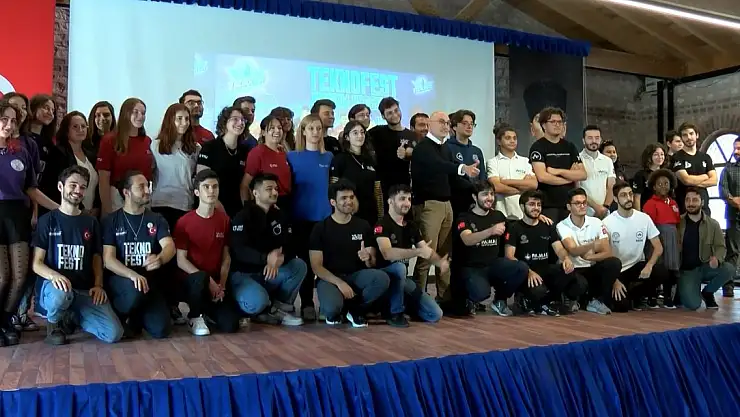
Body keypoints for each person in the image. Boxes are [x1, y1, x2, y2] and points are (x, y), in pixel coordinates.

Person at [32, 166, 123, 345]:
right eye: (73, 185)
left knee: (113, 333)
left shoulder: (91, 222)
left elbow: (97, 258)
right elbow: (37, 263)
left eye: (82, 187)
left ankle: (72, 317)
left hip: (83, 290)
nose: (77, 191)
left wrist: (98, 285)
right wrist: (54, 276)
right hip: (55, 289)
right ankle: (53, 325)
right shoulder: (47, 221)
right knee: (62, 294)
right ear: (60, 187)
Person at [411, 110, 479, 300]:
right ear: (429, 124)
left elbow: (452, 177)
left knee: (445, 255)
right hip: (429, 205)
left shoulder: (445, 148)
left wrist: (477, 190)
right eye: (441, 121)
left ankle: (444, 298)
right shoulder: (423, 147)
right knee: (427, 254)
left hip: (446, 204)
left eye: (447, 123)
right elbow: (439, 165)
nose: (445, 126)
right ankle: (417, 299)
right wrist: (462, 168)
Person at [102, 171, 174, 339]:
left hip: (148, 283)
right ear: (126, 192)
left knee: (161, 330)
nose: (147, 190)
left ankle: (136, 318)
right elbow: (108, 259)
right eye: (141, 187)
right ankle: (121, 315)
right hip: (122, 281)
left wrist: (160, 258)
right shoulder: (111, 220)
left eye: (148, 186)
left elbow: (170, 246)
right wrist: (132, 275)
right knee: (134, 289)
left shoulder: (156, 219)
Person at [309, 179, 391, 327]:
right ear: (333, 202)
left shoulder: (363, 225)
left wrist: (368, 258)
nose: (349, 201)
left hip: (356, 276)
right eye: (344, 198)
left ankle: (354, 309)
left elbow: (372, 263)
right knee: (332, 309)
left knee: (381, 278)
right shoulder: (320, 228)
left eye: (351, 197)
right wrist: (340, 283)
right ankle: (339, 306)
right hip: (330, 279)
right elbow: (316, 267)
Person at [229, 173, 305, 326]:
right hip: (244, 274)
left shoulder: (280, 215)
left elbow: (291, 244)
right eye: (269, 189)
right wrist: (266, 258)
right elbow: (239, 250)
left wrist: (282, 257)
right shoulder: (242, 216)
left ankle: (279, 308)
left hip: (270, 272)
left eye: (276, 189)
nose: (275, 192)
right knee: (257, 301)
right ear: (255, 193)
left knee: (298, 265)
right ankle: (261, 309)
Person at [173, 169, 240, 335]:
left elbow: (226, 258)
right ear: (197, 192)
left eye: (215, 187)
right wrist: (209, 281)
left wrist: (221, 285)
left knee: (230, 325)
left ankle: (209, 312)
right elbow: (181, 260)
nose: (211, 191)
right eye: (206, 187)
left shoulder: (224, 220)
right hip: (192, 281)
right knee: (200, 277)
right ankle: (194, 317)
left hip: (215, 282)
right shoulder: (184, 222)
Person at [454, 181, 530, 317]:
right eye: (485, 194)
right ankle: (469, 299)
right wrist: (490, 231)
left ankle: (500, 299)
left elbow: (516, 227)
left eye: (491, 194)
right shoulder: (464, 217)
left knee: (521, 268)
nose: (489, 198)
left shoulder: (498, 216)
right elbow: (467, 239)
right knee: (481, 293)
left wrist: (535, 217)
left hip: (494, 264)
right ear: (474, 197)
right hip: (473, 267)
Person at [504, 190, 586, 316]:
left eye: (539, 205)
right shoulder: (514, 227)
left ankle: (547, 302)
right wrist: (528, 271)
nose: (536, 208)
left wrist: (566, 259)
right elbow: (509, 256)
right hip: (527, 273)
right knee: (538, 290)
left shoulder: (547, 226)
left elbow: (559, 249)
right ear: (522, 207)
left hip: (545, 270)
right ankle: (525, 299)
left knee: (578, 281)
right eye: (532, 204)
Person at [374, 184, 445, 326]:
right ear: (390, 201)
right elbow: (387, 253)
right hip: (385, 277)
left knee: (435, 314)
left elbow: (425, 250)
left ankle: (406, 306)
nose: (407, 203)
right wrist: (417, 252)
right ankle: (395, 313)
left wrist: (441, 263)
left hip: (404, 280)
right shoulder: (382, 224)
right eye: (402, 199)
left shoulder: (411, 226)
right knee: (399, 267)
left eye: (409, 199)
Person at [287, 114, 333, 321]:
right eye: (311, 128)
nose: (315, 132)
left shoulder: (329, 157)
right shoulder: (292, 157)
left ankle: (327, 303)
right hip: (300, 218)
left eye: (319, 128)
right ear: (303, 131)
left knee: (327, 262)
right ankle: (307, 303)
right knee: (306, 263)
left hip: (324, 218)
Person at [603, 181, 667, 311]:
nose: (628, 198)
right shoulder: (607, 222)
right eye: (623, 195)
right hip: (618, 271)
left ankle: (636, 296)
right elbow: (604, 256)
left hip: (637, 266)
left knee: (661, 272)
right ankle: (626, 298)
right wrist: (614, 280)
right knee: (621, 308)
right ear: (615, 199)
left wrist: (649, 265)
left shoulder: (644, 218)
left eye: (630, 194)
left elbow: (658, 247)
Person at [557, 188, 622, 315]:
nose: (582, 206)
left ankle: (594, 300)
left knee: (613, 263)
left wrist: (589, 257)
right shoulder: (562, 225)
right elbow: (573, 250)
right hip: (574, 269)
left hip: (591, 266)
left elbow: (607, 252)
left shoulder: (596, 222)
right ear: (569, 207)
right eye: (577, 203)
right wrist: (593, 244)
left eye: (584, 202)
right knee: (579, 284)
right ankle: (572, 298)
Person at [677, 187, 734, 310]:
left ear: (702, 202)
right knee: (693, 305)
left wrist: (717, 259)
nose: (690, 203)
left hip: (705, 267)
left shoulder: (713, 224)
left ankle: (708, 292)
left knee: (729, 269)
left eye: (695, 200)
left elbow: (720, 247)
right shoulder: (677, 222)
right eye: (687, 200)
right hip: (687, 271)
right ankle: (685, 289)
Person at [96, 98, 153, 216]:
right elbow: (103, 179)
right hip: (117, 198)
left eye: (143, 113)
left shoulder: (147, 141)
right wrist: (107, 209)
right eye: (135, 112)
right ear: (126, 114)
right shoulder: (110, 140)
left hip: (142, 198)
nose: (140, 116)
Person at [529, 107, 586, 224]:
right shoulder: (538, 147)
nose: (557, 125)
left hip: (569, 204)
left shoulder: (570, 147)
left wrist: (557, 171)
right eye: (553, 122)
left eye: (560, 122)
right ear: (544, 125)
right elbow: (542, 177)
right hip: (548, 205)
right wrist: (569, 178)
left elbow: (582, 174)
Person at [150, 103, 201, 229]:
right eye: (179, 118)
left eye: (187, 119)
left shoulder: (195, 148)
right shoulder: (155, 146)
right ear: (170, 120)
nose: (184, 123)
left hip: (185, 203)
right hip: (161, 203)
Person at [196, 106, 251, 217]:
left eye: (243, 120)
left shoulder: (246, 151)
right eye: (235, 119)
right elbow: (202, 180)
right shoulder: (210, 147)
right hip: (213, 207)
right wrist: (218, 206)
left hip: (238, 208)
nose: (240, 123)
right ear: (225, 122)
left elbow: (245, 184)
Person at [330, 121, 383, 225]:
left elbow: (377, 190)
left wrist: (381, 216)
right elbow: (333, 190)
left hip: (371, 214)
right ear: (347, 137)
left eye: (362, 132)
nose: (360, 136)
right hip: (349, 214)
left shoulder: (370, 160)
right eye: (355, 133)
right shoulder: (340, 160)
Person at [642, 169, 681, 308]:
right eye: (659, 184)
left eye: (666, 183)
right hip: (657, 236)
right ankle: (652, 296)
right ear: (653, 186)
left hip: (672, 237)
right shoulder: (650, 203)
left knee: (671, 267)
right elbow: (648, 225)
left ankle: (667, 296)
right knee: (658, 266)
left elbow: (677, 222)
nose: (663, 186)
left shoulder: (673, 203)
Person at [240, 115, 292, 212]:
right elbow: (245, 185)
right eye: (272, 128)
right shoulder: (257, 153)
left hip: (287, 204)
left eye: (279, 128)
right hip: (267, 205)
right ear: (263, 132)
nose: (277, 131)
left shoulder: (284, 153)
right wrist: (248, 210)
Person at [368, 97, 416, 198]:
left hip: (404, 186)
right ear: (383, 116)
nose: (394, 115)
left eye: (396, 110)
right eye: (389, 113)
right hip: (382, 188)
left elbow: (417, 156)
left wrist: (409, 154)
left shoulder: (411, 135)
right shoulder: (376, 132)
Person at [487, 124, 537, 220]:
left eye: (514, 138)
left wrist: (505, 181)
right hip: (501, 215)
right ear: (499, 141)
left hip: (523, 215)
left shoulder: (525, 161)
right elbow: (497, 187)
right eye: (508, 138)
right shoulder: (492, 162)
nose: (512, 141)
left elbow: (533, 184)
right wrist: (522, 188)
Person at [447, 110, 487, 217]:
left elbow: (483, 176)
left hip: (475, 201)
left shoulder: (477, 151)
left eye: (472, 124)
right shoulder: (446, 148)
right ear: (454, 127)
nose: (469, 126)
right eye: (465, 123)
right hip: (454, 200)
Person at [671, 122, 716, 214]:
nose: (689, 137)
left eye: (691, 133)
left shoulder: (705, 157)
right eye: (685, 135)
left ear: (697, 135)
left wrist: (693, 182)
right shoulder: (677, 157)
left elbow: (714, 180)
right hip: (685, 208)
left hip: (704, 207)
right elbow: (686, 180)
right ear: (681, 138)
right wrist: (705, 176)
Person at [578, 125, 615, 219]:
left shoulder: (607, 161)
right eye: (590, 138)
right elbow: (577, 188)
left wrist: (605, 207)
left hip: (605, 213)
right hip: (584, 213)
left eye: (597, 138)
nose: (594, 141)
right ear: (583, 140)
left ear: (600, 140)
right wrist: (596, 207)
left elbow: (611, 186)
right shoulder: (577, 159)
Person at [720, 137, 740, 297]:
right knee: (732, 252)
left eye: (739, 148)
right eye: (734, 148)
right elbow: (723, 191)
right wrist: (734, 201)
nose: (736, 151)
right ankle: (728, 286)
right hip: (734, 217)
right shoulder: (728, 170)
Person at [631, 143, 668, 211]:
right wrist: (639, 215)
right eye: (656, 154)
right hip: (647, 211)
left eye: (662, 154)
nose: (660, 157)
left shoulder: (667, 174)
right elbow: (637, 197)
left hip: (664, 211)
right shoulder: (641, 175)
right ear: (649, 157)